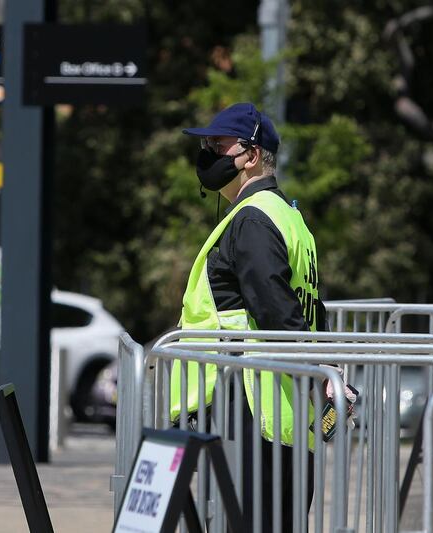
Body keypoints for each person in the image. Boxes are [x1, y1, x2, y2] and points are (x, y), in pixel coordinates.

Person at [170, 103, 326, 532]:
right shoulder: (290, 218)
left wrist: (320, 373)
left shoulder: (253, 220)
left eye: (218, 146)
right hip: (283, 408)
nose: (207, 155)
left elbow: (276, 310)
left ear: (252, 156)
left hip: (253, 409)